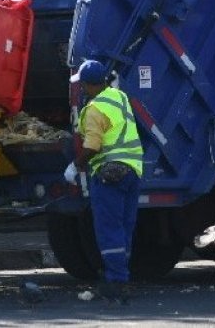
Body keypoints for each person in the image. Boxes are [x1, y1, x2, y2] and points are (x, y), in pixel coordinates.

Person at [71, 59, 143, 302]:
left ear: (88, 85)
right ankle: (122, 275)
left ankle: (116, 281)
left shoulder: (94, 109)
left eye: (82, 84)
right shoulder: (119, 97)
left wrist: (76, 165)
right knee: (124, 227)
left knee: (109, 228)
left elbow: (93, 145)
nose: (81, 88)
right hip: (132, 170)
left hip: (109, 173)